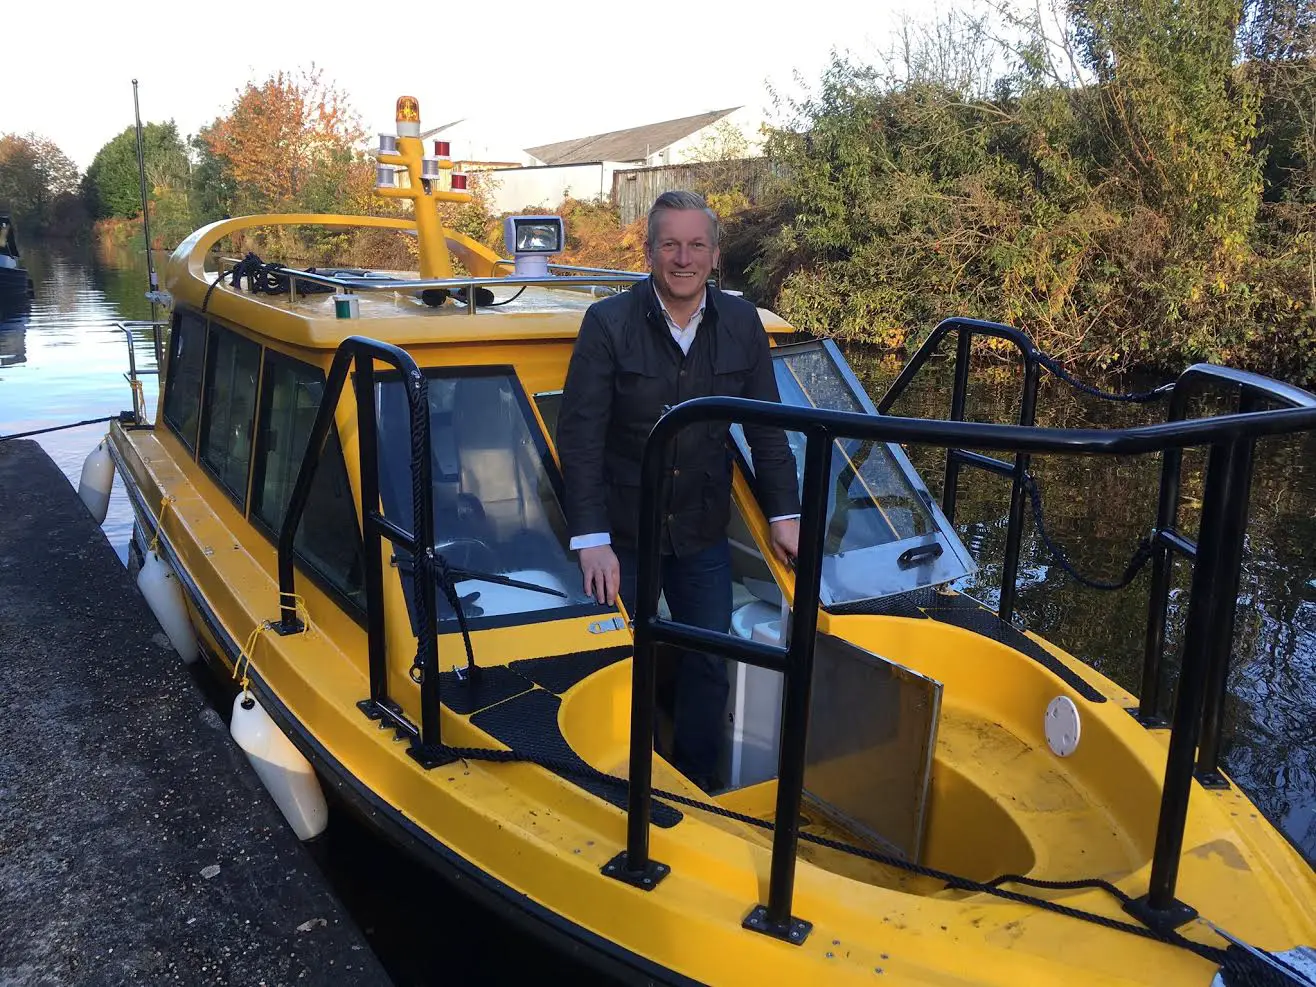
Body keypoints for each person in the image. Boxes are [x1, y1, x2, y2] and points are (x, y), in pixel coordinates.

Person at [555, 190, 801, 792]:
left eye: (696, 246)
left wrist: (784, 514)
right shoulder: (608, 323)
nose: (683, 258)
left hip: (700, 531)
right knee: (616, 664)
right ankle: (616, 784)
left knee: (708, 662)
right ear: (649, 252)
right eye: (670, 244)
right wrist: (591, 539)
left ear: (716, 256)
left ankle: (694, 787)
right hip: (623, 531)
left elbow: (766, 430)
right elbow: (581, 435)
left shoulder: (742, 325)